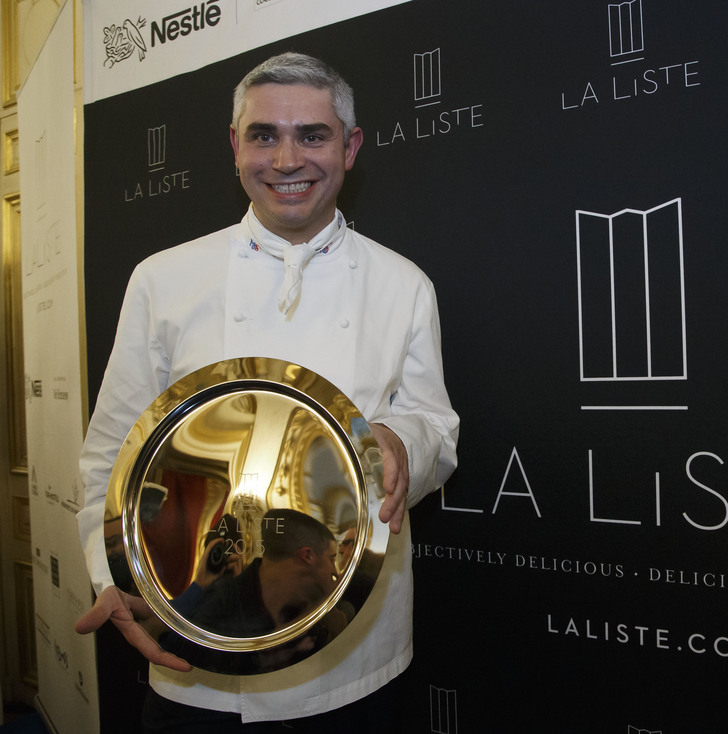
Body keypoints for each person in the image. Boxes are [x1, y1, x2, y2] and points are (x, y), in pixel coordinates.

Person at [74, 52, 459, 732]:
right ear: (234, 146)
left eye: (312, 134)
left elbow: (434, 424)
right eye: (263, 135)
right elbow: (111, 452)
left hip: (352, 657)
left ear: (349, 147)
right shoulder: (162, 279)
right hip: (196, 655)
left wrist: (405, 442)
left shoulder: (404, 285)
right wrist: (113, 579)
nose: (287, 159)